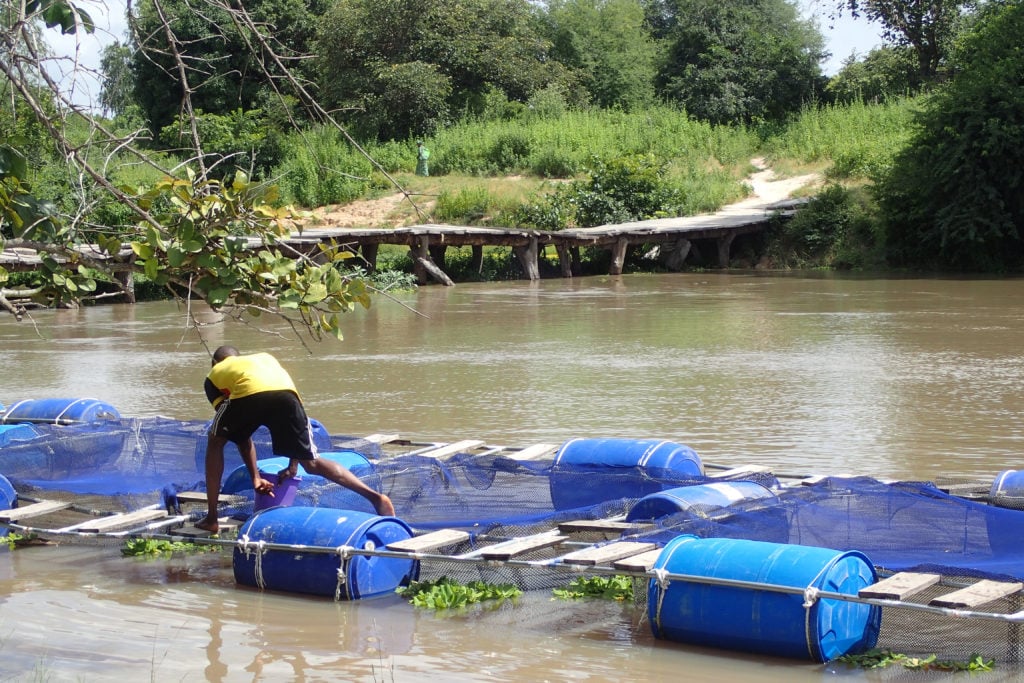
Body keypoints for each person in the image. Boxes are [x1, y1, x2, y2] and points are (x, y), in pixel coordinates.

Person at [196, 345, 394, 532]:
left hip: (250, 395)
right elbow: (270, 404)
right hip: (289, 397)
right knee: (312, 463)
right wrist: (293, 464)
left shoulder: (215, 374)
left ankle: (212, 519)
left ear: (215, 362)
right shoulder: (264, 359)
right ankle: (376, 498)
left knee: (215, 441)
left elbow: (236, 433)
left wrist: (255, 476)